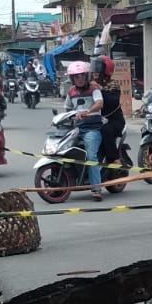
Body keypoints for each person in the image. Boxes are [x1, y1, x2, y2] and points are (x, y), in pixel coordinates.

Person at [64, 60, 106, 201]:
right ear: (72, 78)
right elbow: (68, 109)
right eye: (76, 76)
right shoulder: (71, 91)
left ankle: (96, 188)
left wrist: (87, 111)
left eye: (82, 75)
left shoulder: (94, 88)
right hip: (76, 129)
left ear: (87, 76)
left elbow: (99, 103)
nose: (80, 79)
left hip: (92, 129)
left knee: (91, 157)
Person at [92, 56, 126, 164]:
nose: (95, 72)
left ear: (106, 70)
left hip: (113, 121)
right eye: (94, 68)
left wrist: (99, 89)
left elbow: (112, 101)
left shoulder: (113, 84)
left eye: (98, 68)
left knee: (105, 130)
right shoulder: (89, 84)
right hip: (94, 119)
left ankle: (114, 158)